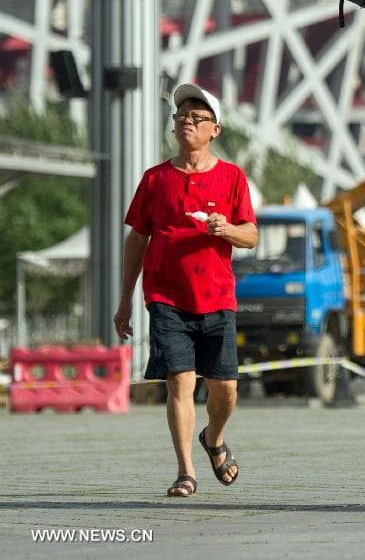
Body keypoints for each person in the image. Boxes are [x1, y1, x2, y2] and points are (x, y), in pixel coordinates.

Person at [114, 83, 258, 497]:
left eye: (196, 118)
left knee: (225, 391)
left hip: (216, 298)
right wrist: (125, 298)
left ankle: (213, 438)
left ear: (216, 129)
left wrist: (226, 229)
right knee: (179, 382)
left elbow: (251, 236)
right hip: (166, 298)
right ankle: (185, 472)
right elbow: (137, 239)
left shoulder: (232, 177)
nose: (186, 123)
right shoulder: (155, 179)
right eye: (180, 117)